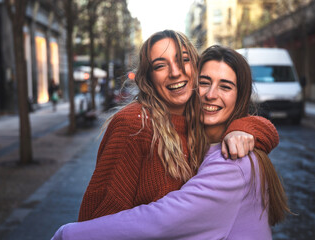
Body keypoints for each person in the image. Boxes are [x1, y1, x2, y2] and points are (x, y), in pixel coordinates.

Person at [51, 45, 289, 240]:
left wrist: (70, 233)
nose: (210, 94)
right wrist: (248, 127)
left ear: (240, 97)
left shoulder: (233, 162)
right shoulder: (200, 142)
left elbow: (160, 221)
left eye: (225, 86)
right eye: (204, 82)